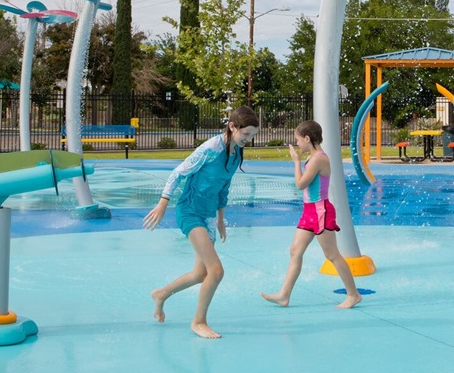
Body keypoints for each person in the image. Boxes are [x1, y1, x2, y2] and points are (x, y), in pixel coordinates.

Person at [143, 106, 259, 339]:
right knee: (216, 271)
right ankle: (198, 321)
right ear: (232, 126)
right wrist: (163, 203)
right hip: (190, 213)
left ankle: (162, 294)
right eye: (245, 134)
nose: (249, 139)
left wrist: (220, 219)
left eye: (252, 135)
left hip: (207, 217)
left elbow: (223, 188)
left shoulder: (235, 154)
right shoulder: (211, 148)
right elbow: (178, 173)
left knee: (200, 274)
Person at [260, 120, 362, 310]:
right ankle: (284, 295)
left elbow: (300, 184)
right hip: (310, 211)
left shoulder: (319, 159)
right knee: (295, 251)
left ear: (307, 138)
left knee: (332, 255)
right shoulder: (314, 158)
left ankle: (353, 294)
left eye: (298, 140)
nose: (297, 144)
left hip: (320, 210)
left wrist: (296, 162)